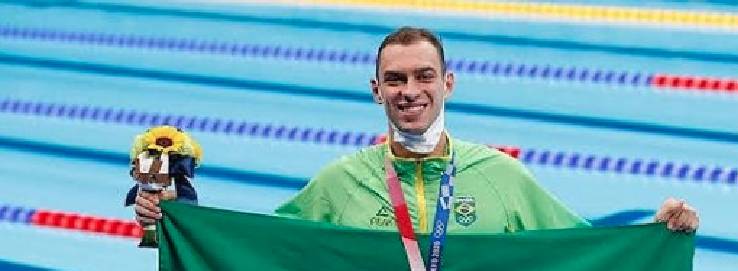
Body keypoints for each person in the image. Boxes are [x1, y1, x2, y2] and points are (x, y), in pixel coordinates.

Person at [133, 27, 699, 234]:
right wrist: (178, 224)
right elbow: (256, 252)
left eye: (424, 76)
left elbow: (583, 255)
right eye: (396, 79)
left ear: (448, 83)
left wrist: (653, 238)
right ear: (376, 90)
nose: (411, 91)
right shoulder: (341, 182)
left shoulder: (500, 177)